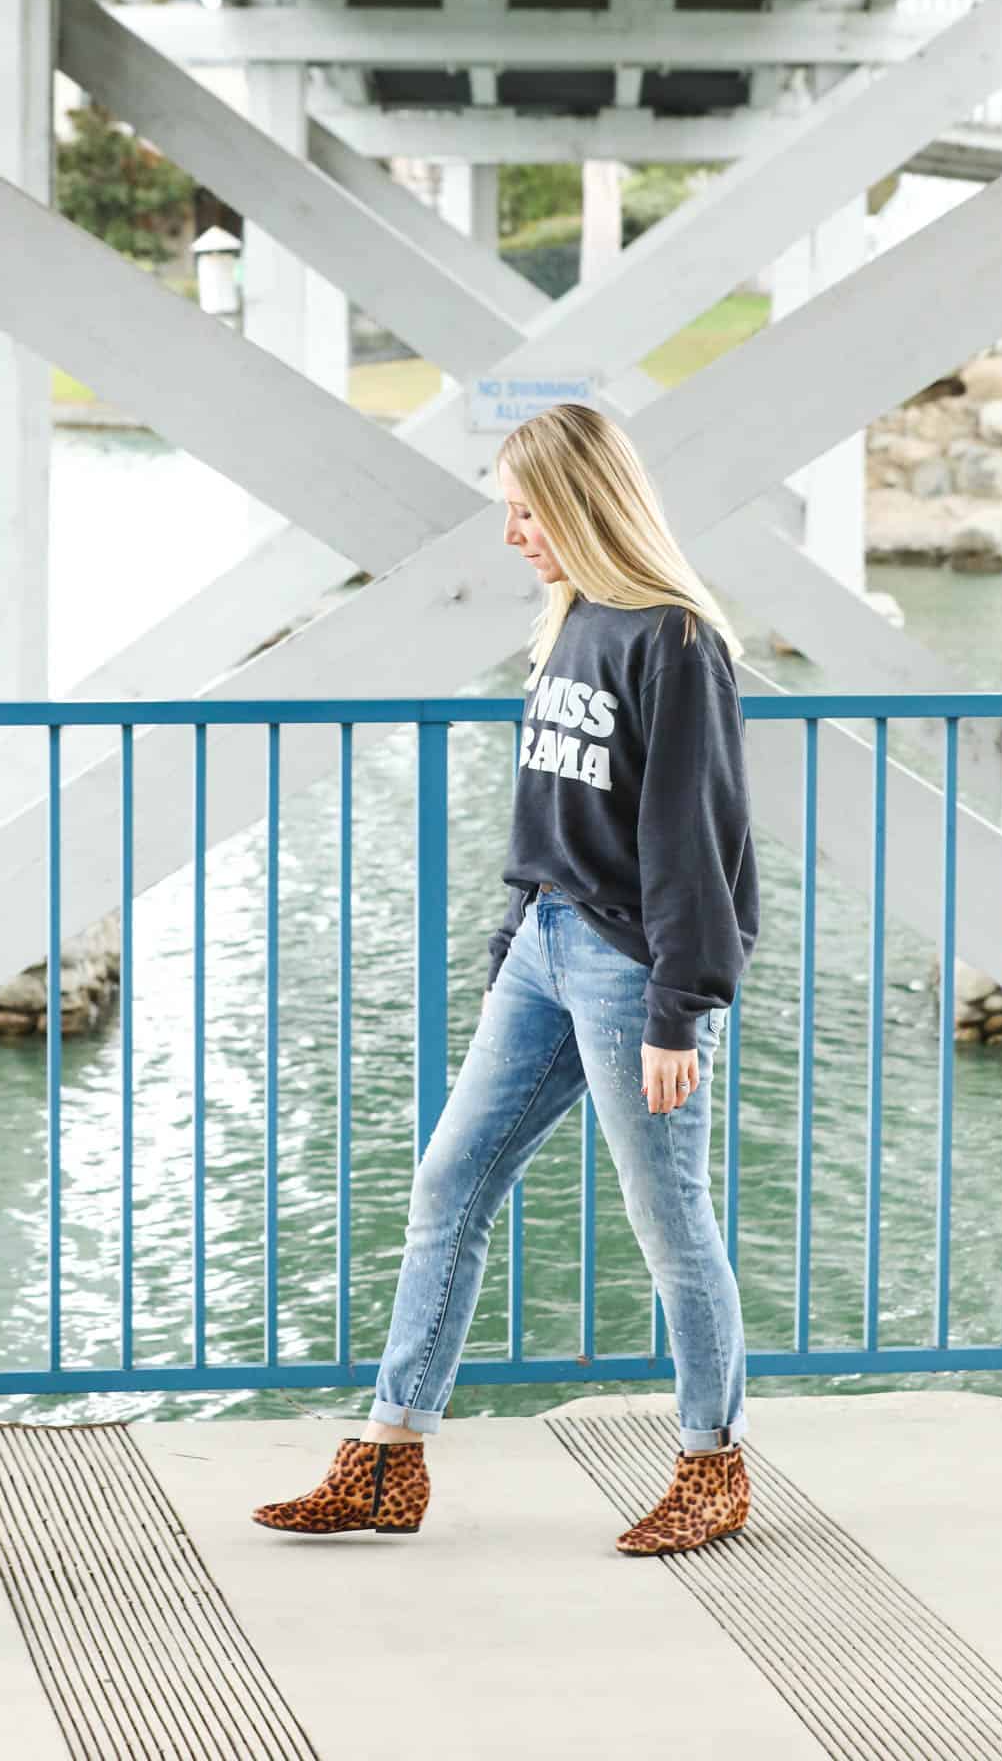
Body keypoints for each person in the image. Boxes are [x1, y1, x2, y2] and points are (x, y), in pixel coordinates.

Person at [251, 401, 760, 1554]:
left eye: (528, 509)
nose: (514, 531)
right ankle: (387, 1460)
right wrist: (510, 947)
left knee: (668, 1220)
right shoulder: (570, 621)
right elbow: (548, 814)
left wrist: (681, 1009)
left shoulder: (672, 640)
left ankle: (713, 1463)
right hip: (544, 947)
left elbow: (693, 838)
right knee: (447, 1186)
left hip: (634, 970)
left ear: (583, 503)